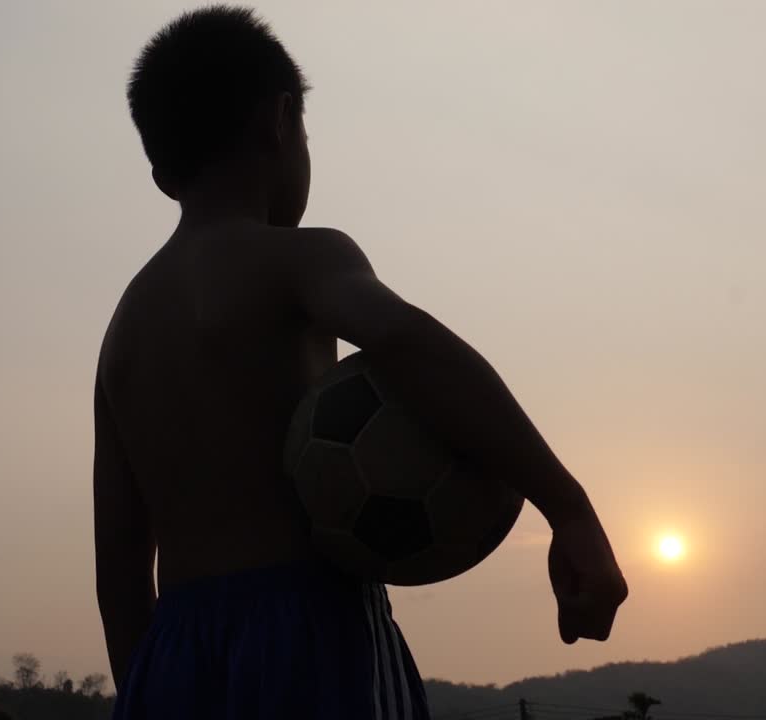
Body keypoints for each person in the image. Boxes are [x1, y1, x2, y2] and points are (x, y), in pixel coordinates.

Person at [94, 6, 628, 719]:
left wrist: (147, 689)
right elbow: (409, 344)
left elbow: (122, 566)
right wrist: (568, 506)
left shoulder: (124, 332)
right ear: (280, 121)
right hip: (308, 634)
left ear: (162, 172)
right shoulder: (302, 259)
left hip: (174, 654)